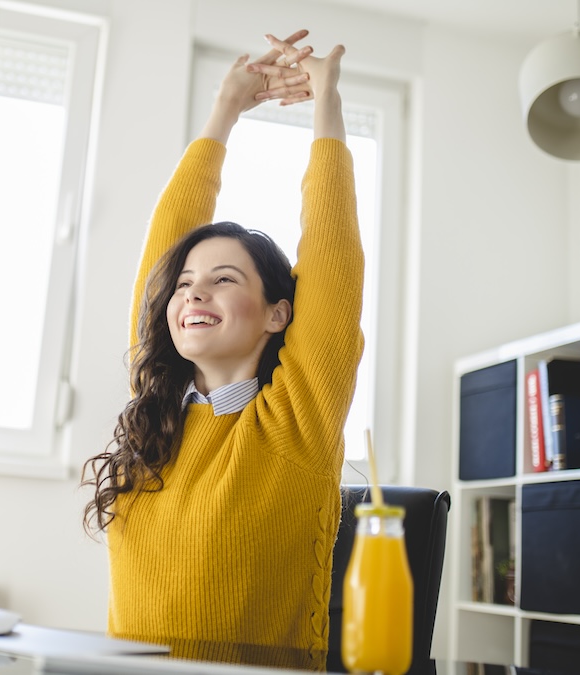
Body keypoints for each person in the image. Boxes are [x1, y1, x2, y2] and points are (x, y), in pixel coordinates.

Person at [81, 30, 364, 670]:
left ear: (278, 313)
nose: (192, 294)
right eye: (184, 286)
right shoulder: (154, 413)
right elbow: (165, 252)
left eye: (223, 279)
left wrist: (326, 102)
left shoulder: (298, 419)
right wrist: (224, 111)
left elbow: (334, 263)